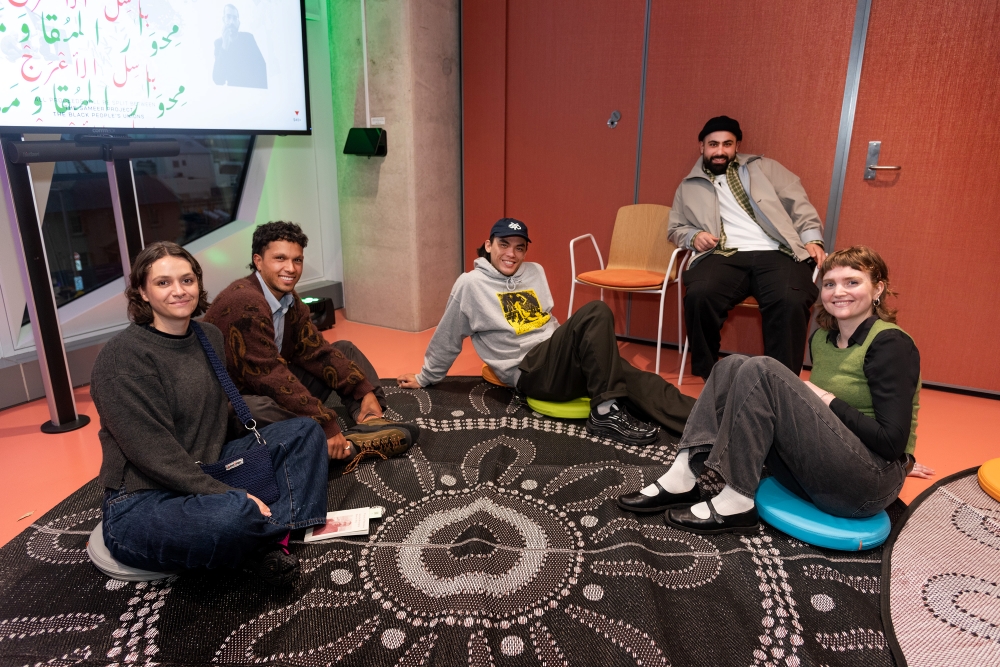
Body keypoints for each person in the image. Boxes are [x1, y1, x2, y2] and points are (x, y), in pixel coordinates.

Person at [617, 246, 934, 534]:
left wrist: (829, 400)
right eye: (829, 284)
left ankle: (739, 501)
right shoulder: (822, 339)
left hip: (865, 488)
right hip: (824, 472)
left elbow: (891, 442)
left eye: (852, 282)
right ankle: (684, 474)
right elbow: (816, 422)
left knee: (762, 368)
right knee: (733, 364)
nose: (839, 292)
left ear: (878, 289)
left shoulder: (890, 344)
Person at [91, 242, 329, 585]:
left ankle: (263, 540)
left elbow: (214, 416)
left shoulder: (209, 337)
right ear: (142, 292)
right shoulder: (122, 359)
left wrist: (247, 463)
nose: (178, 291)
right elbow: (153, 455)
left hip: (208, 470)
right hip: (145, 499)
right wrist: (229, 495)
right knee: (232, 515)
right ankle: (269, 539)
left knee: (305, 432)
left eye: (186, 280)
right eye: (163, 283)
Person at [397, 218, 695, 445]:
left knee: (636, 378)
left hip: (555, 357)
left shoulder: (534, 272)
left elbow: (548, 323)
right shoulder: (470, 285)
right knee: (596, 311)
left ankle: (704, 422)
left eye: (519, 247)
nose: (512, 254)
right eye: (504, 244)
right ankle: (605, 414)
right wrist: (426, 376)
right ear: (488, 245)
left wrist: (579, 350)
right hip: (530, 372)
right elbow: (448, 335)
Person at [204, 221, 418, 471]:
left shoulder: (287, 298)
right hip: (231, 408)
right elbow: (270, 376)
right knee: (256, 407)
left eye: (297, 260)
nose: (291, 268)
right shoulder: (244, 302)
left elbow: (316, 351)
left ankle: (370, 423)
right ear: (258, 261)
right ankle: (338, 447)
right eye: (280, 258)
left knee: (344, 349)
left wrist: (363, 390)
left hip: (267, 389)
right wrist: (326, 423)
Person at [668, 116, 826, 381]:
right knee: (700, 295)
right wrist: (694, 237)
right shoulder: (688, 186)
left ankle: (781, 382)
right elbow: (675, 228)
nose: (720, 151)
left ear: (736, 146)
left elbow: (799, 204)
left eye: (727, 144)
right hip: (723, 254)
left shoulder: (765, 168)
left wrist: (812, 238)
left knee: (790, 300)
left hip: (777, 251)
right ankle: (709, 375)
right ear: (702, 147)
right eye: (713, 144)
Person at [212, 4, 267, 89]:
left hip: (254, 90)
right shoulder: (219, 43)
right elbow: (218, 80)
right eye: (228, 17)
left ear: (238, 22)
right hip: (235, 94)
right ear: (223, 19)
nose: (231, 22)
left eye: (234, 18)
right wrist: (224, 46)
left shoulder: (248, 38)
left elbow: (262, 66)